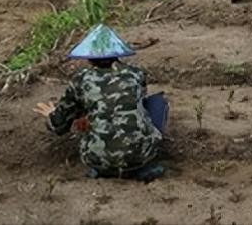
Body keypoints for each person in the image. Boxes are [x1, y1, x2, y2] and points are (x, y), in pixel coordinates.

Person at [34, 25, 165, 182]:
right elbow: (136, 103)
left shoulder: (81, 80)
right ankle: (143, 165)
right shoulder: (136, 74)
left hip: (98, 159)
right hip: (140, 156)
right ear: (118, 54)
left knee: (90, 114)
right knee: (156, 103)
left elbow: (58, 126)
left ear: (89, 57)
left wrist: (52, 114)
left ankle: (102, 168)